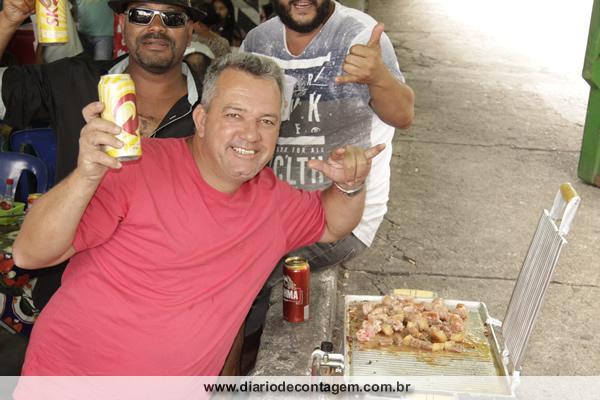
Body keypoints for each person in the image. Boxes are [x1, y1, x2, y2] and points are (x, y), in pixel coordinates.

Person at [12, 52, 384, 375]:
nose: (251, 134)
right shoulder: (135, 166)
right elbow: (30, 253)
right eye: (235, 115)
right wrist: (86, 175)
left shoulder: (274, 202)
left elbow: (333, 223)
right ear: (202, 119)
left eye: (267, 121)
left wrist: (350, 184)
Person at [0, 0, 206, 372]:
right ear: (123, 24)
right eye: (142, 15)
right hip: (70, 305)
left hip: (172, 315)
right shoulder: (73, 80)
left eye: (172, 18)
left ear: (190, 30)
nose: (156, 27)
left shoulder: (217, 105)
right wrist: (9, 19)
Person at [239, 0, 414, 361]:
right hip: (271, 210)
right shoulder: (257, 42)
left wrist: (378, 77)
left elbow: (403, 115)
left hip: (342, 217)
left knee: (240, 273)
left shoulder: (359, 34)